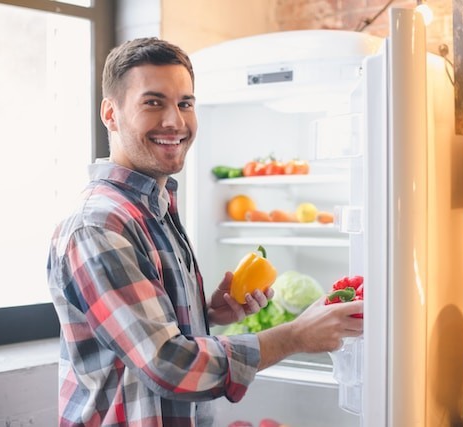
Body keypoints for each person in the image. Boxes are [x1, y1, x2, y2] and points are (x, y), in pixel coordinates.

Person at [47, 37, 364, 427]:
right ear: (110, 114)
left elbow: (146, 336)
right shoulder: (99, 225)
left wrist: (206, 314)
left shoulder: (155, 207)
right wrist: (295, 336)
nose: (175, 121)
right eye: (153, 102)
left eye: (185, 103)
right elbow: (168, 365)